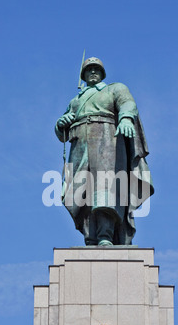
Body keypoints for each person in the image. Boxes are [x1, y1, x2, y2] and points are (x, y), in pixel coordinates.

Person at [55, 57, 154, 246]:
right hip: (80, 145)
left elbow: (128, 104)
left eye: (96, 69)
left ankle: (104, 235)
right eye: (89, 69)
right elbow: (62, 134)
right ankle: (90, 237)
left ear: (102, 73)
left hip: (107, 140)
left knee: (104, 191)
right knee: (82, 193)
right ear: (83, 75)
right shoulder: (75, 100)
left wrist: (125, 118)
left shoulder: (115, 89)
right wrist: (61, 125)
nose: (93, 72)